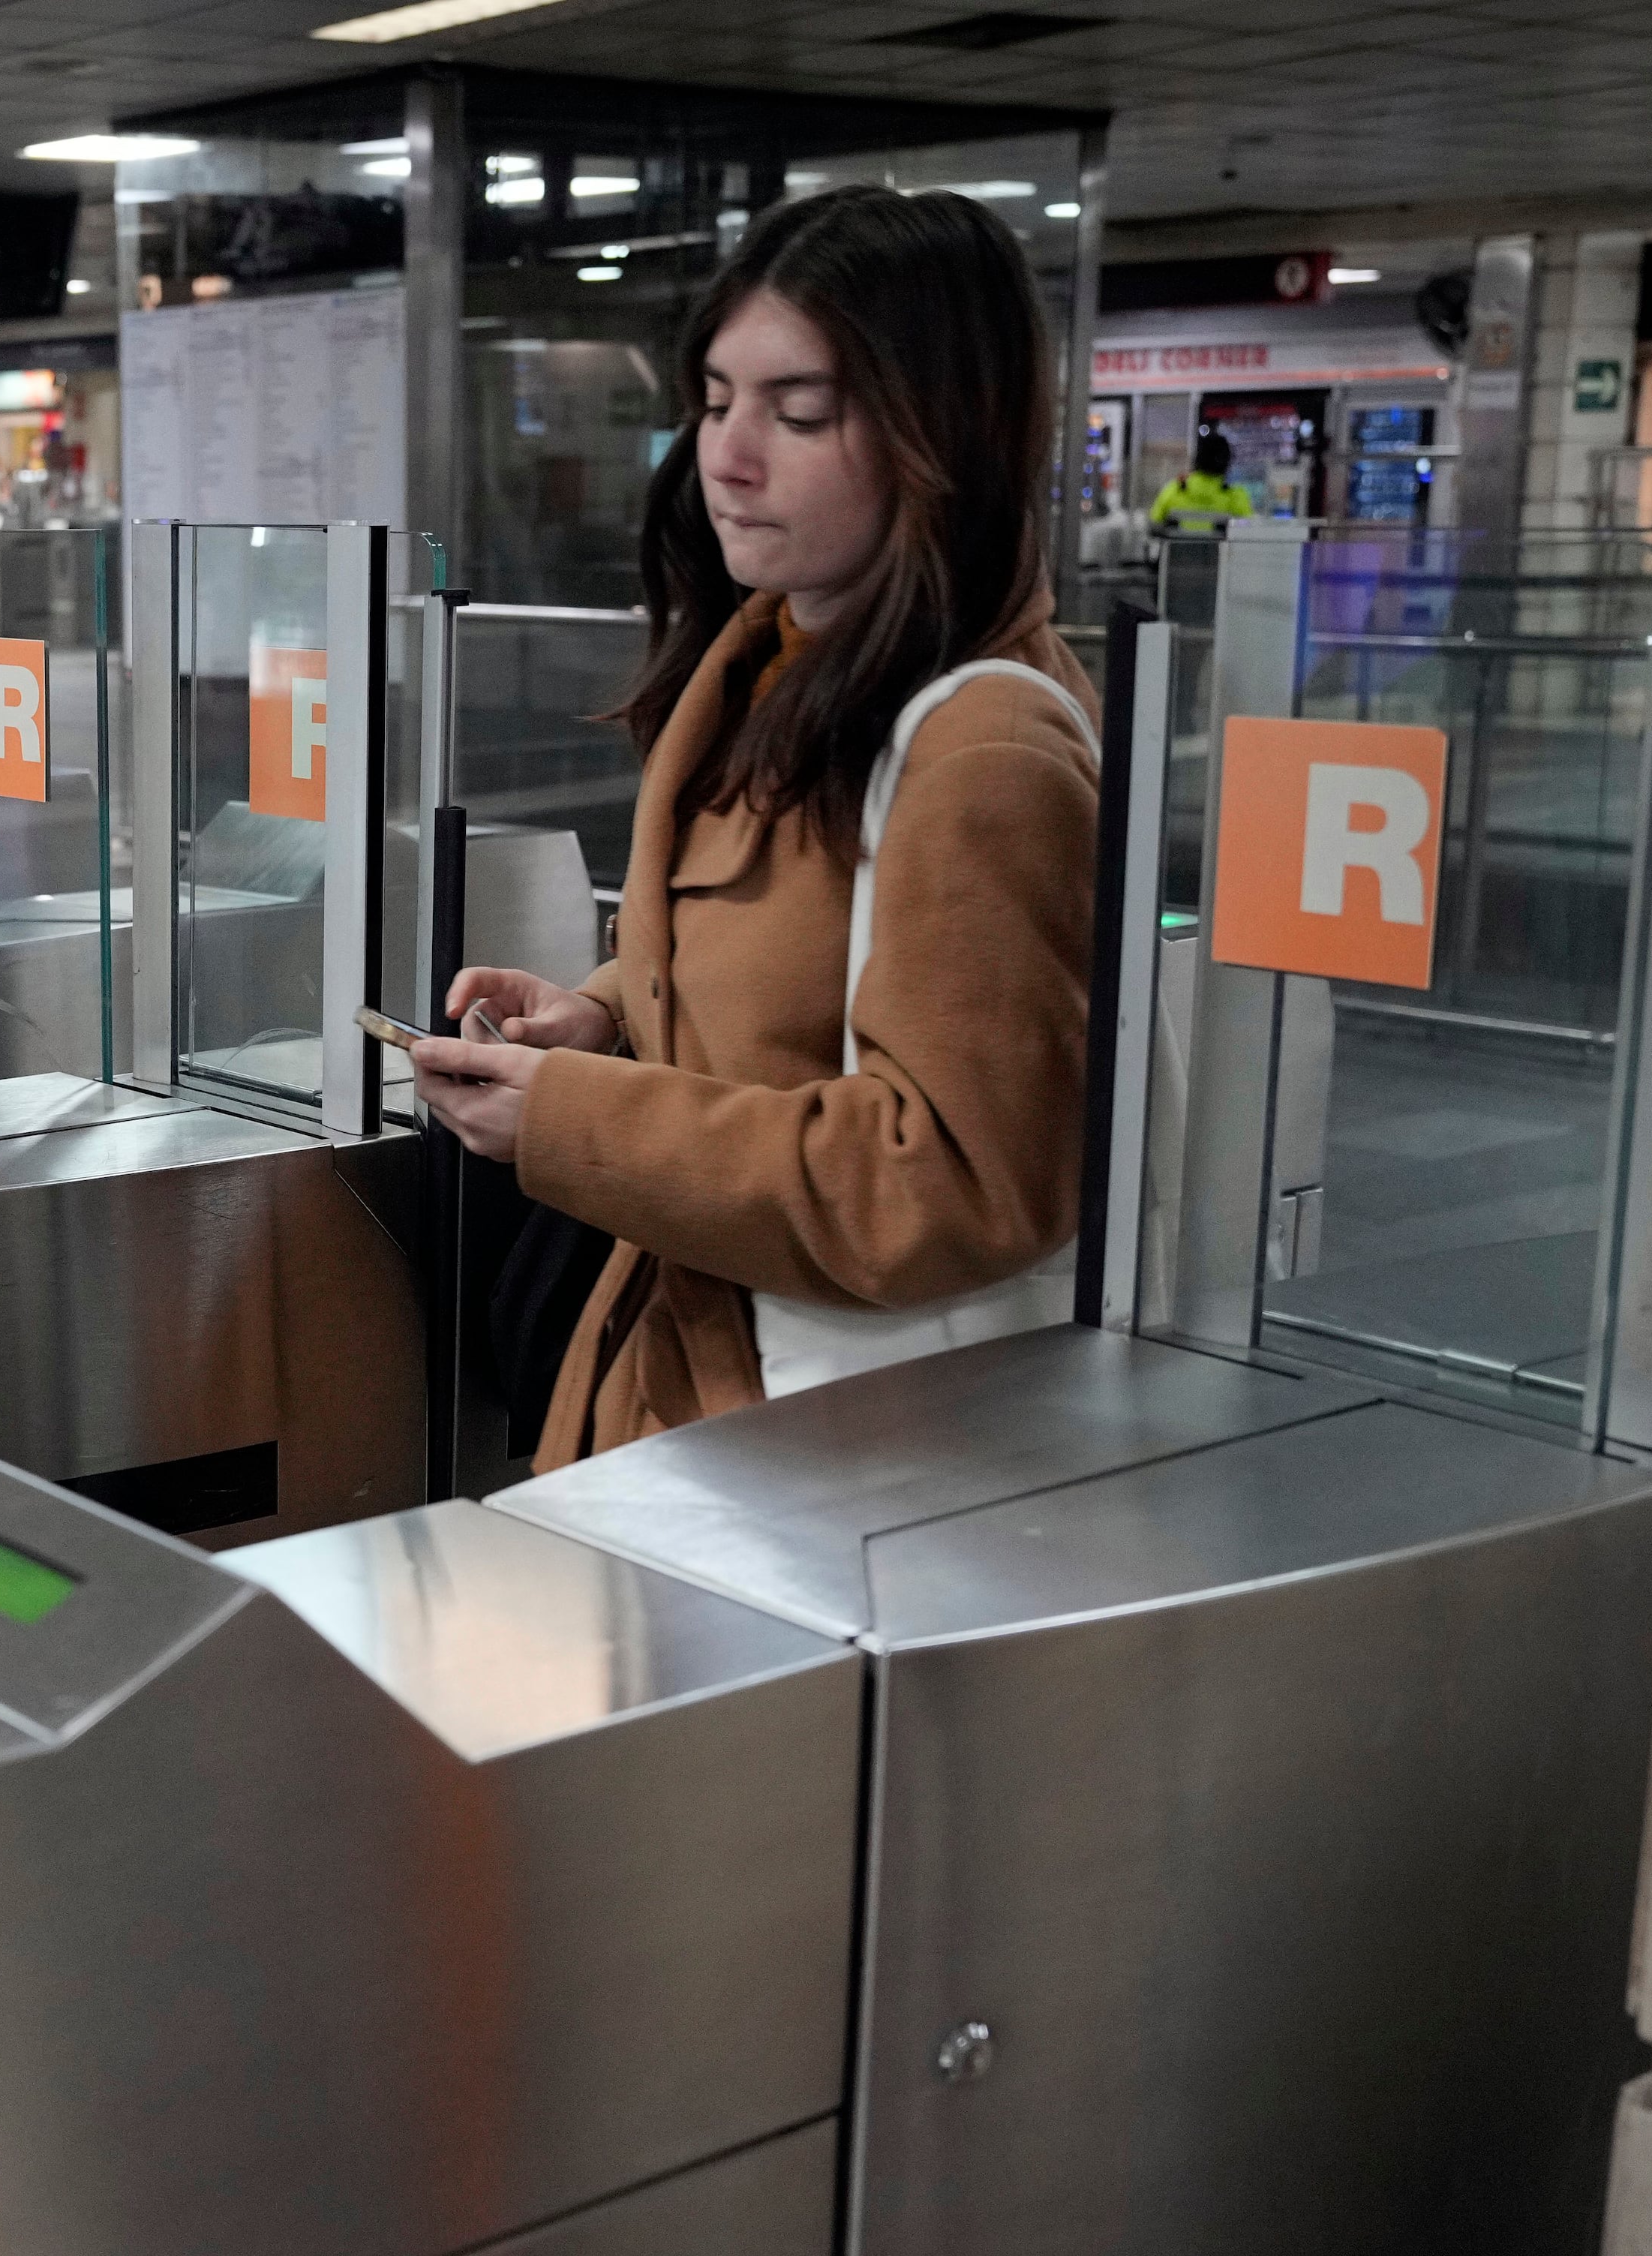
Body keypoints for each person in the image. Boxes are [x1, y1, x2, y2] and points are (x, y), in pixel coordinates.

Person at [403, 185, 1103, 1470]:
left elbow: (950, 1183)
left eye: (800, 412)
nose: (726, 456)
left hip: (841, 1451)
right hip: (699, 1397)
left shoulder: (982, 749)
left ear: (938, 431)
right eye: (718, 401)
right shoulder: (780, 664)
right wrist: (610, 1009)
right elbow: (809, 957)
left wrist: (571, 1118)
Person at [1146, 428, 1255, 536]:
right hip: (1219, 553)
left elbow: (1155, 522)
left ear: (1197, 459)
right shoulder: (1234, 495)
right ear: (1227, 462)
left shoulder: (1176, 489)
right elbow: (1248, 527)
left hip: (1175, 553)